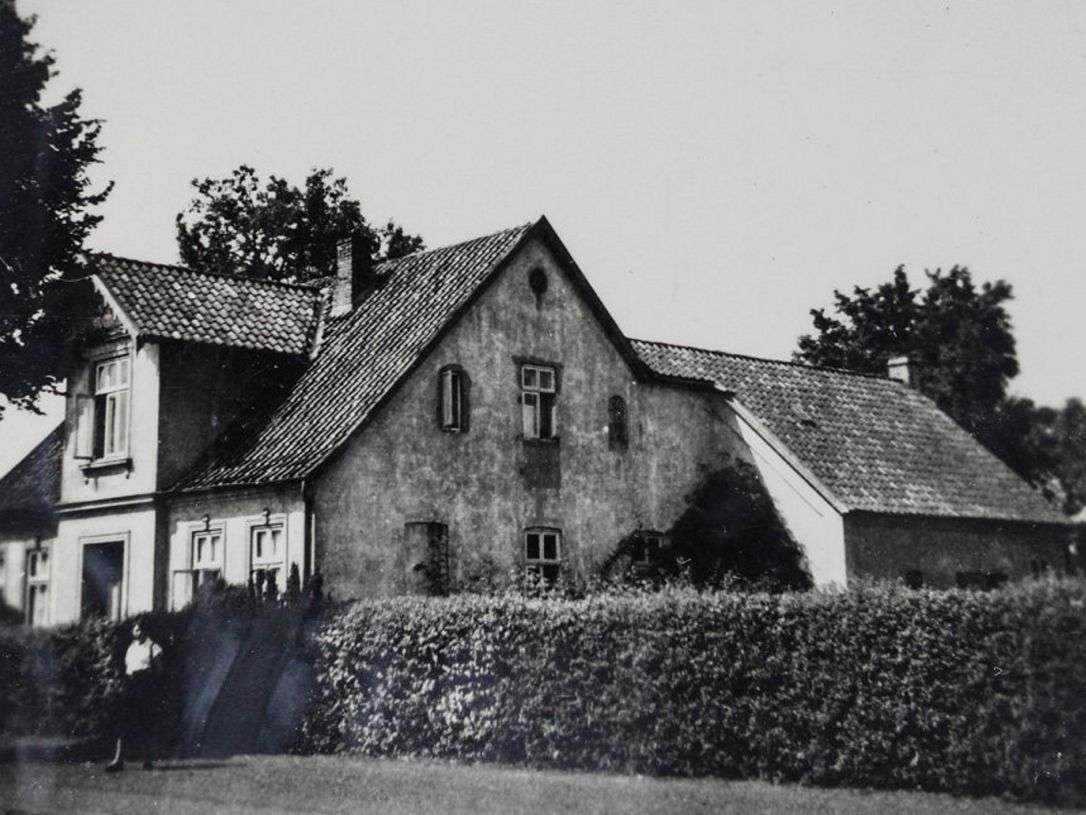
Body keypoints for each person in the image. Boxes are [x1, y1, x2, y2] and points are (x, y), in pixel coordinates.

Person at [105, 621, 163, 773]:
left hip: (145, 687)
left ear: (145, 631)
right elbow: (128, 667)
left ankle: (147, 760)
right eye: (135, 630)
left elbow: (159, 671)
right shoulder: (131, 647)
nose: (136, 632)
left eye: (139, 630)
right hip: (130, 686)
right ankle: (118, 760)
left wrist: (146, 679)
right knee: (123, 722)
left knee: (145, 724)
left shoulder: (153, 647)